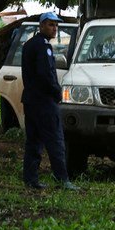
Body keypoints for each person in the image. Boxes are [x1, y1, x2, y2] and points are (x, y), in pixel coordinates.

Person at [21, 12, 79, 190]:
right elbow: (46, 74)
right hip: (44, 101)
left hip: (30, 101)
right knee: (55, 140)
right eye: (51, 25)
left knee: (34, 141)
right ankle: (62, 179)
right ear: (42, 26)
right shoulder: (43, 46)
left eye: (56, 25)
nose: (55, 29)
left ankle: (30, 179)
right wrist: (57, 92)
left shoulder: (29, 44)